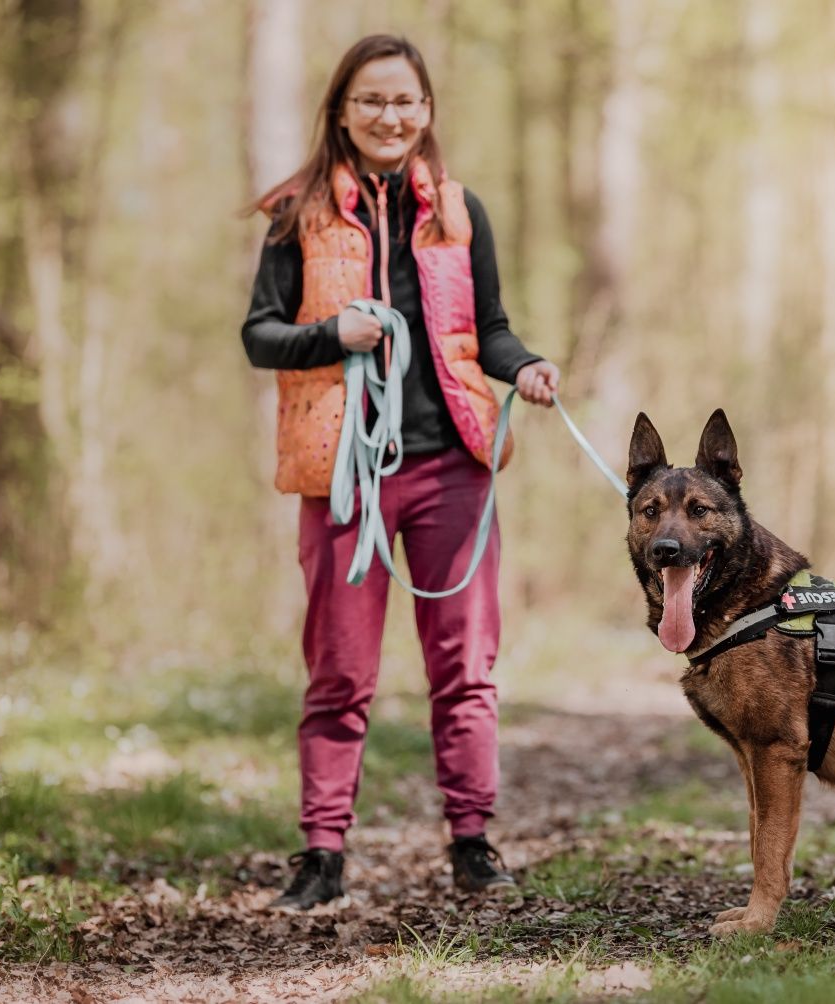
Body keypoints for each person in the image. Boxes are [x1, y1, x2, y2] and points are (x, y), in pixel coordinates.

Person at [240, 34, 559, 911]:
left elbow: (487, 328)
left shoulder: (459, 212)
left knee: (466, 667)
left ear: (427, 112)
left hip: (452, 467)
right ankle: (322, 854)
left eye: (406, 101)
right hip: (343, 473)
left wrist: (523, 367)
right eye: (372, 100)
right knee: (339, 671)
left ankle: (472, 842)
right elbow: (260, 334)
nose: (390, 116)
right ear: (341, 110)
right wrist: (329, 334)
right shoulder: (295, 212)